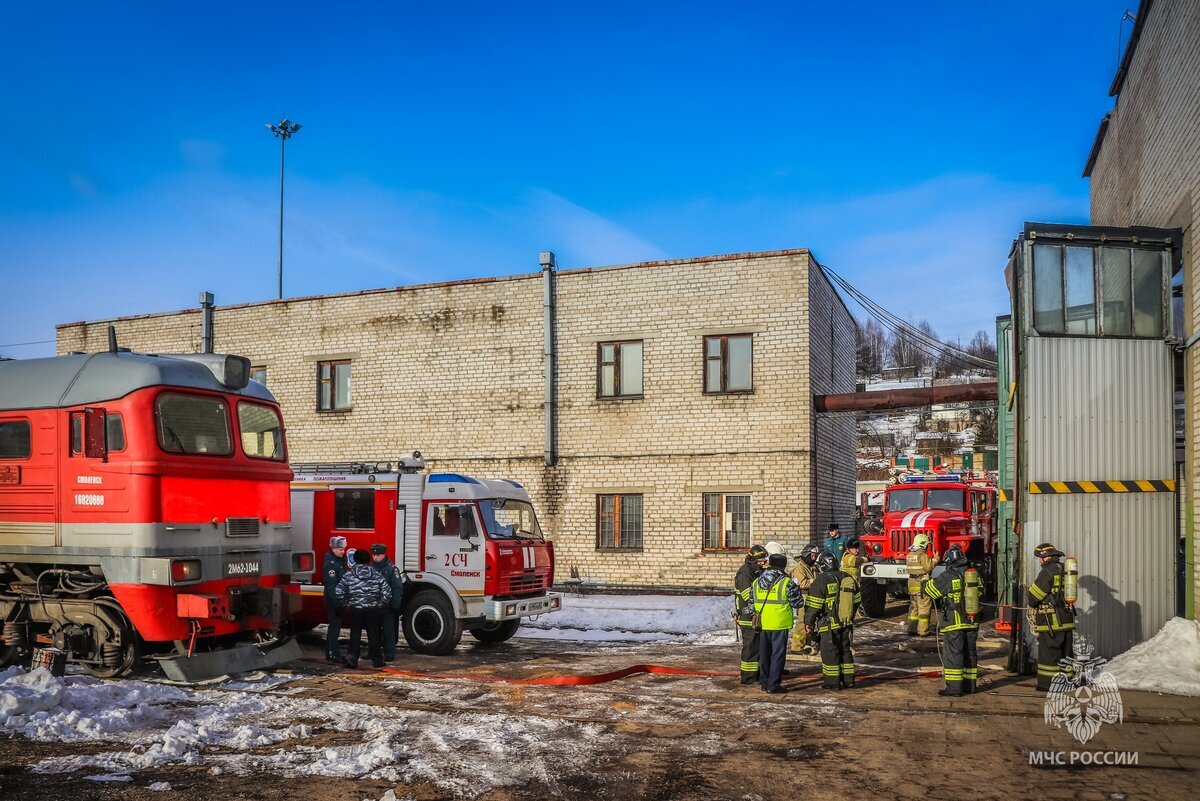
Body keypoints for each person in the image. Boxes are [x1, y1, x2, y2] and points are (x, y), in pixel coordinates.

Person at [920, 545, 979, 696]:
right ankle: (970, 686)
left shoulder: (948, 576)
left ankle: (954, 689)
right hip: (973, 621)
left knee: (953, 654)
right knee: (970, 653)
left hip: (954, 622)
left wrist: (924, 583)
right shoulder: (974, 574)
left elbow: (930, 591)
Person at [804, 550, 861, 690]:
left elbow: (813, 606)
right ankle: (849, 681)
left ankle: (832, 682)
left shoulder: (821, 581)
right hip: (845, 622)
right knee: (845, 651)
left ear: (822, 566)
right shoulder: (847, 577)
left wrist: (809, 623)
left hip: (828, 624)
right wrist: (849, 615)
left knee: (830, 652)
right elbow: (857, 600)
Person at [1027, 542, 1076, 691]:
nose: (1040, 561)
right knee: (1066, 653)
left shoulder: (1047, 572)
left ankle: (1047, 684)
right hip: (1067, 618)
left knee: (1049, 655)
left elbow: (1033, 598)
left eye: (1040, 558)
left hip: (1051, 621)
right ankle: (1067, 682)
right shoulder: (1063, 568)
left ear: (1045, 557)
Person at [753, 552, 804, 694]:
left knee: (764, 654)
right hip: (779, 623)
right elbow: (798, 603)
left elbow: (751, 603)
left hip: (762, 623)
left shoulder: (757, 582)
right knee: (777, 655)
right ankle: (773, 685)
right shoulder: (787, 583)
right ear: (783, 566)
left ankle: (764, 682)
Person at [334, 548, 393, 668]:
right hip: (372, 609)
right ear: (369, 559)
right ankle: (377, 660)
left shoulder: (349, 575)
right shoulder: (376, 575)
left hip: (356, 609)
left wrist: (346, 603)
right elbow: (387, 592)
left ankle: (352, 660)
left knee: (355, 634)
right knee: (374, 635)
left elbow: (338, 592)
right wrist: (380, 604)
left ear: (354, 559)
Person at [733, 544, 769, 684]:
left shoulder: (755, 571)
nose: (763, 563)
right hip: (748, 617)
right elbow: (748, 596)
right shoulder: (745, 573)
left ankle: (757, 674)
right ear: (753, 560)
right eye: (761, 561)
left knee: (758, 647)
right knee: (750, 648)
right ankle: (748, 677)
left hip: (755, 616)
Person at [369, 543, 405, 663]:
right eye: (373, 555)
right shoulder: (370, 568)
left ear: (384, 555)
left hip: (387, 607)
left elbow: (397, 588)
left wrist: (395, 606)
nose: (375, 557)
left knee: (388, 631)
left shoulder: (392, 570)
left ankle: (389, 654)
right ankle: (373, 652)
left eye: (377, 555)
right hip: (373, 606)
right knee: (373, 631)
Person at [905, 534, 938, 636]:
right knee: (924, 608)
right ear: (923, 544)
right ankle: (923, 631)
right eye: (927, 544)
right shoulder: (922, 555)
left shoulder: (910, 555)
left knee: (914, 607)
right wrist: (936, 559)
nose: (928, 546)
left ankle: (912, 628)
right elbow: (928, 567)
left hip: (912, 584)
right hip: (922, 585)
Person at [322, 536, 348, 664]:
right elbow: (331, 586)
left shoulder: (339, 561)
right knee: (334, 627)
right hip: (333, 602)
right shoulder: (331, 564)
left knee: (335, 626)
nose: (343, 551)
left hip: (338, 600)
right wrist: (337, 603)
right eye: (340, 549)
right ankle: (333, 654)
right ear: (333, 548)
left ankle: (331, 653)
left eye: (343, 549)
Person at [790, 544, 820, 654]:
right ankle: (796, 646)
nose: (814, 558)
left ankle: (806, 644)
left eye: (816, 556)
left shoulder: (811, 567)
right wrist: (815, 581)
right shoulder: (800, 568)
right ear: (806, 554)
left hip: (810, 596)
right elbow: (802, 584)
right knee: (802, 622)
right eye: (812, 555)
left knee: (810, 621)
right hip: (803, 597)